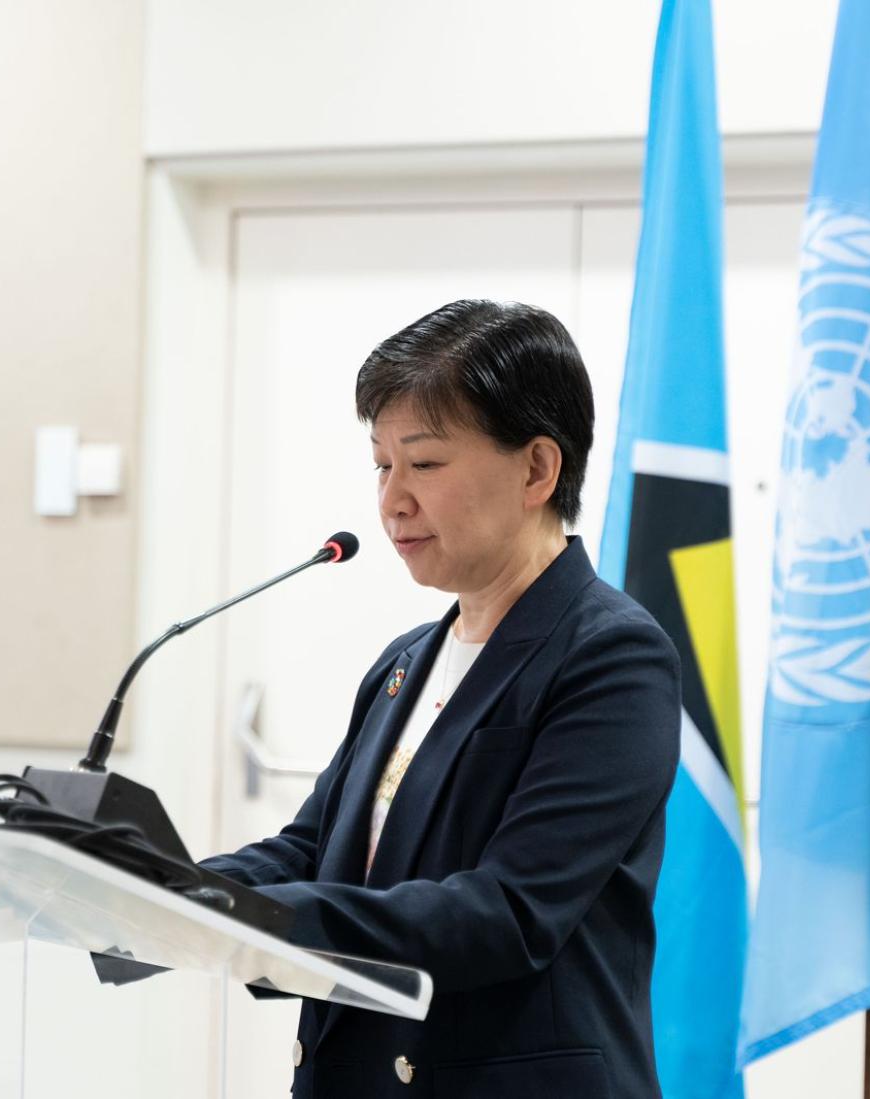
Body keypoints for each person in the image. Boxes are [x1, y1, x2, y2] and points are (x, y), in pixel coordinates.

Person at [201, 299, 681, 1098]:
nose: (391, 501)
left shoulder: (611, 656)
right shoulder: (406, 662)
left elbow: (509, 910)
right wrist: (170, 890)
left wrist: (263, 921)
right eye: (381, 464)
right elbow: (315, 851)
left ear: (536, 469)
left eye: (423, 464)